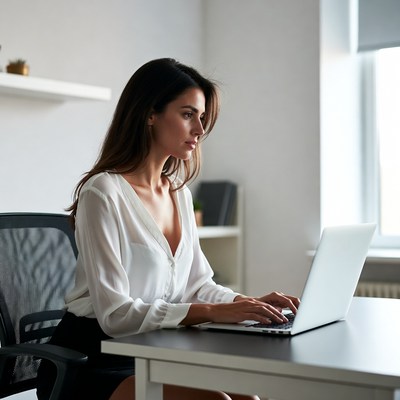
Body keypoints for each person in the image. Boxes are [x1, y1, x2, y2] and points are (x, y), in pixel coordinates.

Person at [36, 58, 300, 400]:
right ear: (150, 114)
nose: (199, 130)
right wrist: (214, 312)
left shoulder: (179, 192)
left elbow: (197, 284)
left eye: (202, 118)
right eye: (188, 114)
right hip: (89, 361)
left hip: (152, 353)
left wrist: (246, 304)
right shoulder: (103, 193)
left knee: (247, 397)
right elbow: (116, 315)